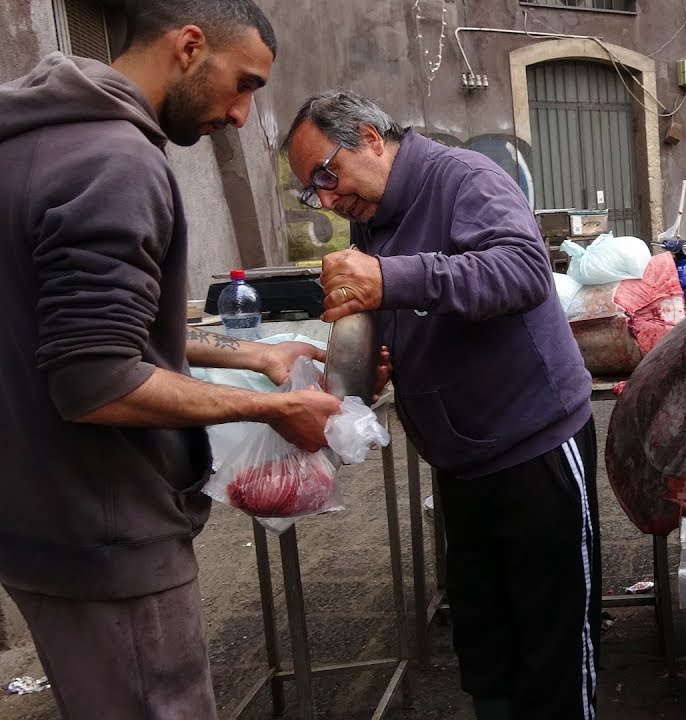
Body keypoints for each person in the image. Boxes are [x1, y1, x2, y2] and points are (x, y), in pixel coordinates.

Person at [0, 2, 342, 718]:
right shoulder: (115, 162)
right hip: (108, 529)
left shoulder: (28, 142)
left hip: (35, 519)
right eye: (244, 84)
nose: (242, 115)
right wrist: (273, 408)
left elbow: (78, 327)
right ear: (189, 46)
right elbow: (96, 380)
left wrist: (248, 352)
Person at [282, 90, 599, 720]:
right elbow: (409, 310)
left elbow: (522, 271)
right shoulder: (373, 215)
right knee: (485, 647)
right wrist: (374, 359)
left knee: (554, 650)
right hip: (461, 461)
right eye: (312, 191)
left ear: (371, 138)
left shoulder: (464, 179)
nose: (328, 199)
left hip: (533, 446)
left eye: (327, 175)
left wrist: (390, 279)